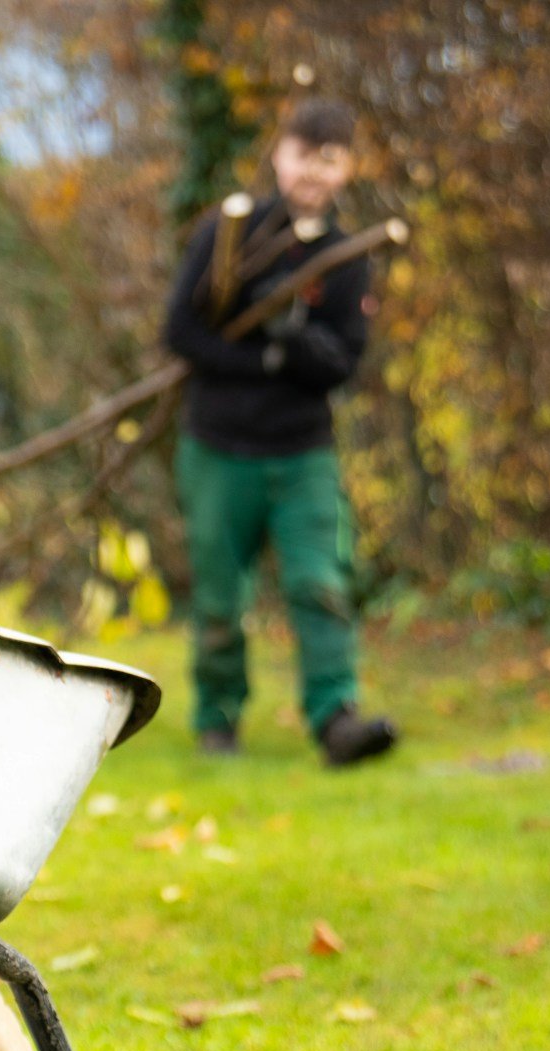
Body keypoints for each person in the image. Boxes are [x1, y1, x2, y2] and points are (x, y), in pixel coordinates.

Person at [163, 96, 397, 765]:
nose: (313, 174)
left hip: (302, 453)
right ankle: (217, 720)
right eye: (303, 156)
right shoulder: (231, 232)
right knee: (218, 595)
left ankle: (335, 719)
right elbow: (181, 331)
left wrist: (294, 345)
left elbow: (341, 362)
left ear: (346, 169)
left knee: (319, 581)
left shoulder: (348, 257)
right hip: (218, 446)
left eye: (330, 162)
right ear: (279, 153)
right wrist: (266, 358)